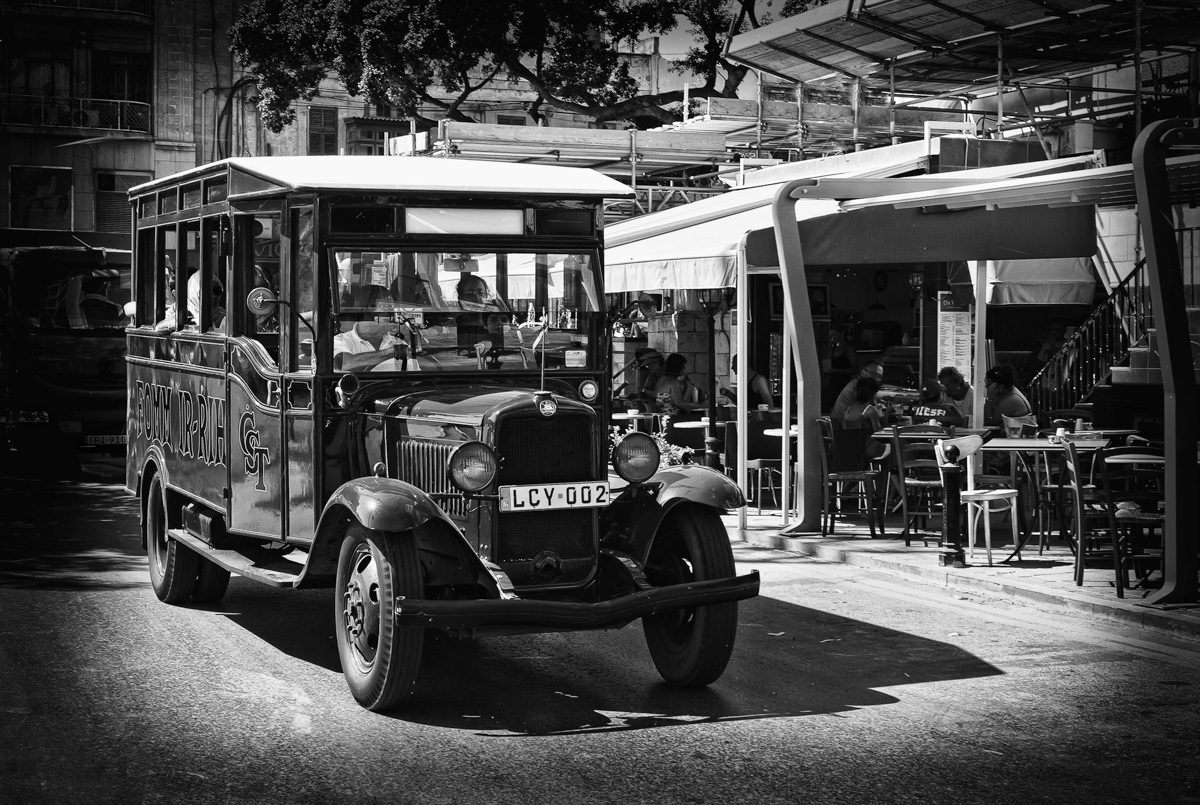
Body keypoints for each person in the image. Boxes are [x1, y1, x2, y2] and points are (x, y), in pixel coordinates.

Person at [334, 321, 413, 372]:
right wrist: (386, 353)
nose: (384, 322)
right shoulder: (341, 340)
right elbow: (344, 364)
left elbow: (411, 371)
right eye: (377, 317)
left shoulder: (397, 342)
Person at [840, 376, 888, 460]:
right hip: (869, 450)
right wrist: (884, 414)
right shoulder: (869, 410)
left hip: (852, 450)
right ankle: (892, 472)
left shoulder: (849, 409)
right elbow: (879, 434)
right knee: (896, 445)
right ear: (873, 394)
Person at [654, 352, 707, 417]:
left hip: (661, 417)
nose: (684, 369)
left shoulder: (661, 379)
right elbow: (679, 402)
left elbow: (656, 395)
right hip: (672, 418)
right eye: (683, 366)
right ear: (677, 367)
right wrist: (700, 405)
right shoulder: (674, 382)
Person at [824, 324, 857, 410]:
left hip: (843, 383)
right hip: (832, 383)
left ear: (841, 334)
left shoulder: (848, 348)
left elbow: (854, 368)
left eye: (834, 335)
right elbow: (828, 364)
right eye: (830, 336)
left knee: (843, 407)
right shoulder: (833, 349)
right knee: (832, 406)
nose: (832, 338)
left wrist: (836, 371)